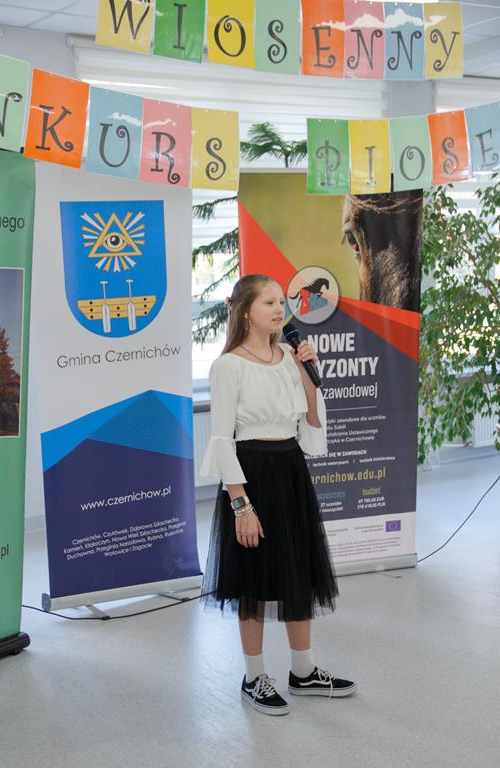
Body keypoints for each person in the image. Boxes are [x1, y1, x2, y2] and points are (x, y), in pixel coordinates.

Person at [200, 274, 356, 716]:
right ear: (246, 310)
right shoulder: (228, 366)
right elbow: (222, 440)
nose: (278, 310)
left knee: (297, 571)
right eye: (269, 302)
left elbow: (311, 420)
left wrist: (307, 369)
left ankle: (303, 672)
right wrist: (241, 506)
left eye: (280, 303)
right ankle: (254, 677)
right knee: (253, 578)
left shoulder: (290, 355)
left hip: (290, 467)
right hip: (252, 473)